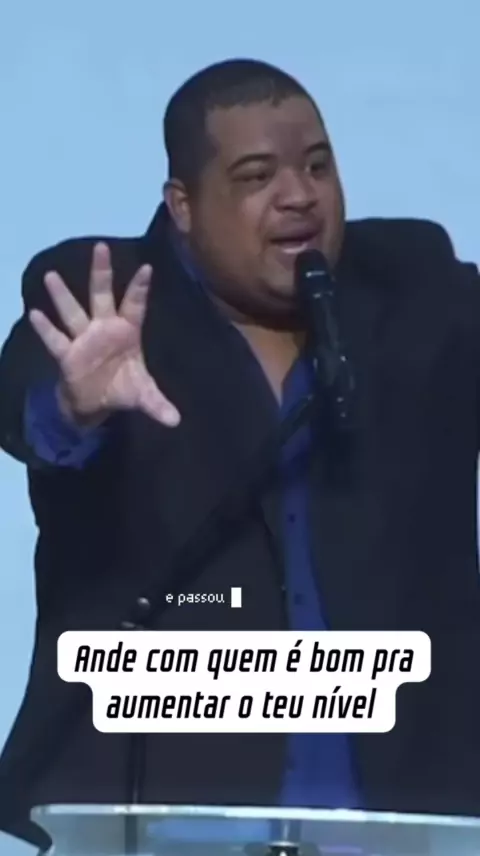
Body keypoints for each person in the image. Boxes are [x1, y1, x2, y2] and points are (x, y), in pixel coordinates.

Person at [0, 57, 480, 850]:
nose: (299, 195)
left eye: (317, 166)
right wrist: (74, 408)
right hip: (157, 810)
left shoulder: (417, 288)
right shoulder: (103, 296)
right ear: (183, 205)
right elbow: (32, 417)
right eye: (258, 176)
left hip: (397, 816)